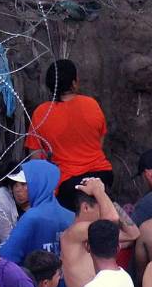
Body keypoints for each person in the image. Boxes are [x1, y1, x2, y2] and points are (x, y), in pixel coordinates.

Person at [26, 59, 114, 210]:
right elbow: (100, 143)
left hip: (69, 184)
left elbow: (36, 159)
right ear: (74, 83)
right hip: (102, 176)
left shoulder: (42, 113)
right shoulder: (91, 104)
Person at [59, 176, 139, 287]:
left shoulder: (95, 233)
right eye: (100, 207)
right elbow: (112, 220)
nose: (104, 211)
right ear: (85, 208)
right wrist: (98, 191)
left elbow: (133, 234)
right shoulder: (75, 232)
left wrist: (108, 199)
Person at [0, 159, 74, 269]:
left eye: (25, 183)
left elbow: (7, 255)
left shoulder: (31, 217)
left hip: (35, 283)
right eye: (16, 185)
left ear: (38, 183)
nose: (18, 190)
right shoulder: (71, 217)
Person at [0, 168, 29, 245]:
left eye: (23, 184)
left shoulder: (38, 196)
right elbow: (7, 242)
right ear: (10, 187)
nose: (19, 189)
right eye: (15, 185)